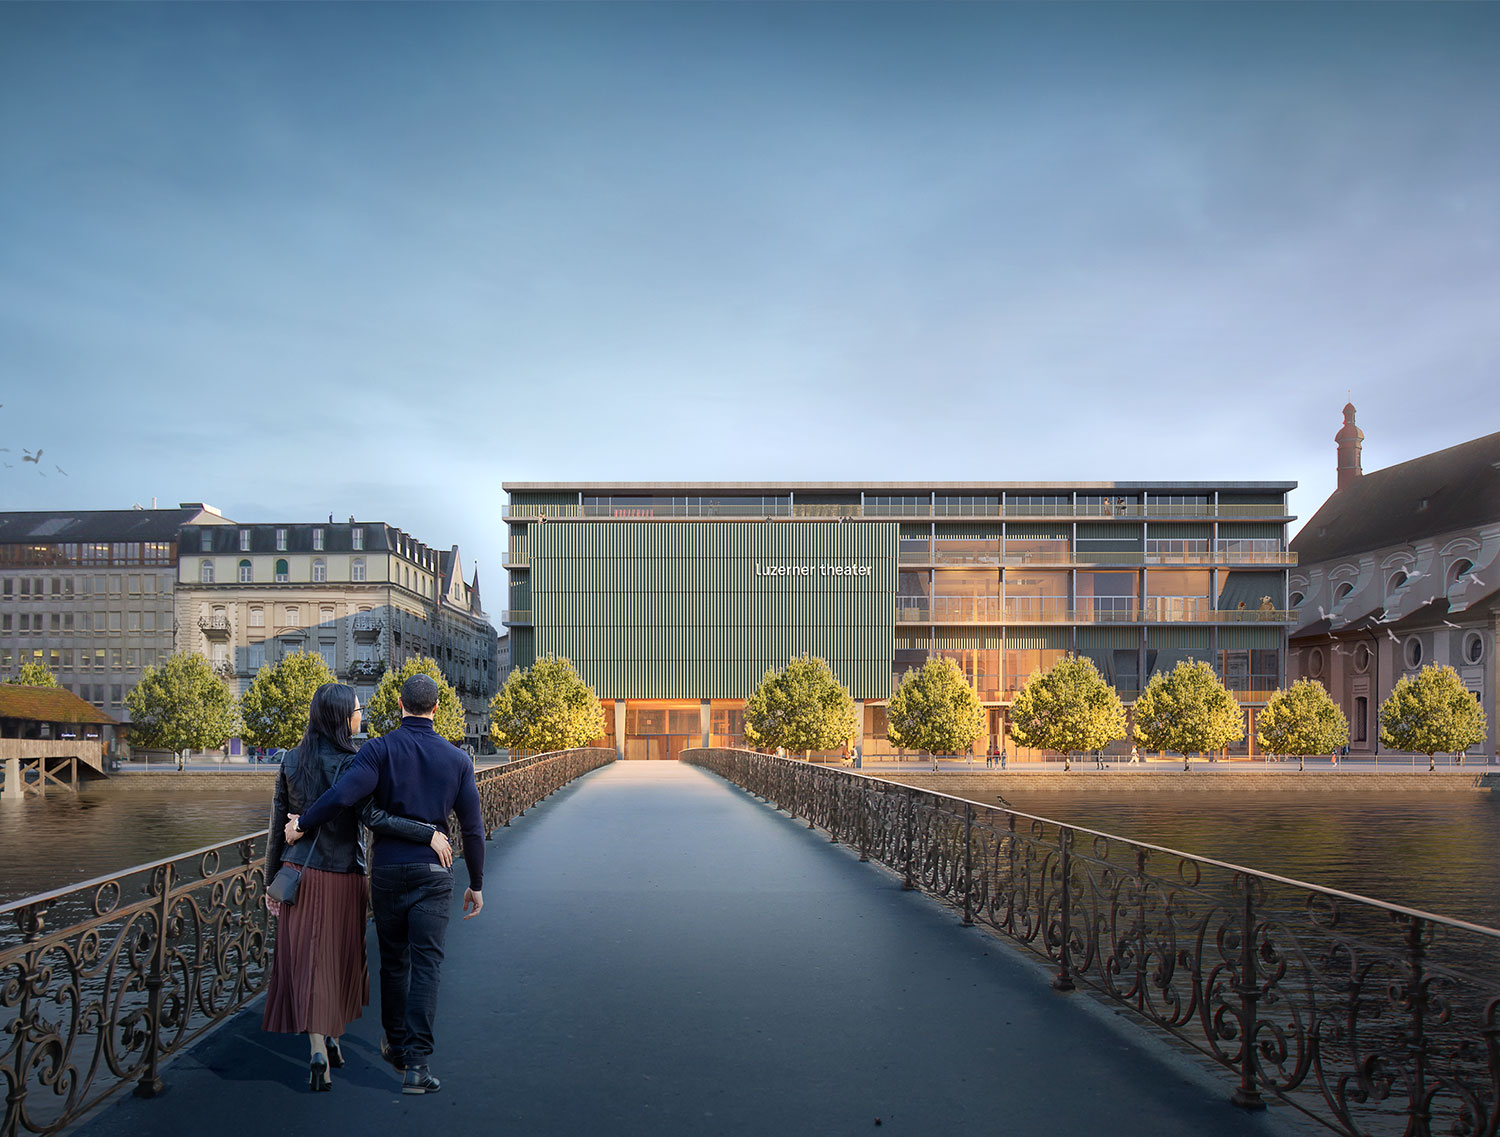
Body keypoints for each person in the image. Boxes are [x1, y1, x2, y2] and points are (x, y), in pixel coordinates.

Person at [286, 674, 485, 1096]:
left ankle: (395, 1044)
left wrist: (301, 824)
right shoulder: (458, 760)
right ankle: (417, 1065)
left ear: (399, 703)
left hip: (389, 872)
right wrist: (478, 883)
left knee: (394, 962)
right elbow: (472, 829)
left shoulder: (378, 749)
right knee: (427, 967)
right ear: (436, 708)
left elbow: (342, 796)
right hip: (435, 872)